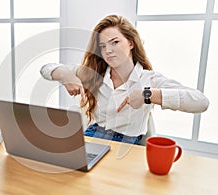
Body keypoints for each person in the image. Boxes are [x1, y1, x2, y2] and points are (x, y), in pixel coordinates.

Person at [40, 15, 209, 145]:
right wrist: (65, 75)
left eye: (115, 42)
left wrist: (148, 95)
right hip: (93, 135)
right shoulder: (93, 73)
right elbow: (46, 68)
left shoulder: (149, 79)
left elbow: (201, 102)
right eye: (103, 46)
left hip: (128, 144)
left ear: (131, 43)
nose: (108, 51)